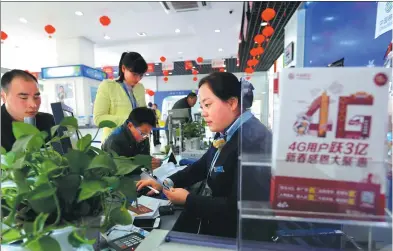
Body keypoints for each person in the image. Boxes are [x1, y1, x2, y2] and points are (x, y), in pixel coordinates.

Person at [136, 72, 274, 239]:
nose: (203, 113)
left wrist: (188, 199)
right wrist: (165, 183)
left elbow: (239, 207)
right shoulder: (227, 132)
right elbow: (203, 166)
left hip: (240, 238)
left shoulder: (253, 141)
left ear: (232, 103)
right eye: (201, 106)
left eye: (208, 105)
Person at [93, 52, 148, 142]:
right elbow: (98, 118)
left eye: (141, 75)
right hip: (114, 143)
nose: (138, 79)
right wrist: (128, 122)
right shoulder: (108, 86)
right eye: (134, 74)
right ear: (123, 68)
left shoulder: (140, 88)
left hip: (137, 143)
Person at [1, 70, 55, 152]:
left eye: (36, 97)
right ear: (4, 97)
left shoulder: (48, 121)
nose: (33, 104)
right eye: (24, 98)